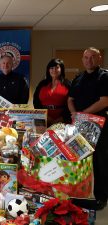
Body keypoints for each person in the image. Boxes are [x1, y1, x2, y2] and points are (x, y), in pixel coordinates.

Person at [68, 47, 108, 210]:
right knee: (79, 159)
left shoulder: (105, 76)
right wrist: (73, 113)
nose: (89, 60)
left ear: (99, 58)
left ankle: (101, 197)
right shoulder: (78, 77)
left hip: (99, 124)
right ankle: (79, 194)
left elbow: (105, 101)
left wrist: (83, 114)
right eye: (86, 57)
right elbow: (70, 99)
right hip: (80, 124)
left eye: (92, 57)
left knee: (100, 161)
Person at [33, 58, 71, 126]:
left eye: (57, 68)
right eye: (52, 68)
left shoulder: (67, 84)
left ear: (61, 69)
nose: (54, 70)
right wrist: (45, 116)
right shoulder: (42, 83)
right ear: (48, 70)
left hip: (62, 120)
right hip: (43, 119)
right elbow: (36, 101)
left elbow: (71, 103)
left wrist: (61, 118)